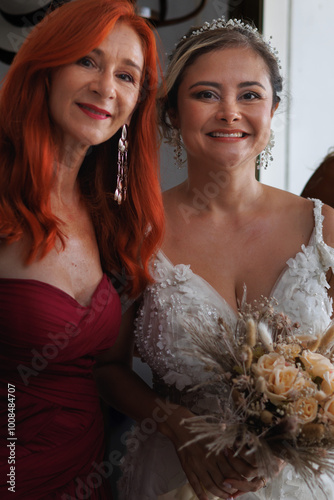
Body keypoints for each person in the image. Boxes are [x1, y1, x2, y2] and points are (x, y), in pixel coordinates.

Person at [94, 17, 334, 500]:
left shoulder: (324, 226)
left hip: (302, 482)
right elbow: (105, 368)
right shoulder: (133, 231)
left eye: (250, 95)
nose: (230, 113)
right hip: (177, 475)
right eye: (206, 94)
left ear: (274, 109)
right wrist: (178, 426)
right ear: (171, 114)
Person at [0, 0, 164, 498]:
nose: (106, 88)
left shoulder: (109, 219)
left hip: (86, 473)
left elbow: (105, 371)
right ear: (46, 69)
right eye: (88, 61)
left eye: (127, 76)